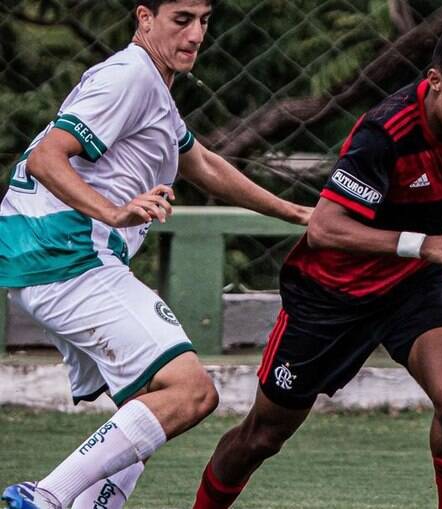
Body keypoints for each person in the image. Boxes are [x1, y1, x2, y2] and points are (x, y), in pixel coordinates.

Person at [0, 1, 311, 508]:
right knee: (190, 393)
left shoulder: (154, 90)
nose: (195, 34)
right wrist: (114, 212)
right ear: (145, 18)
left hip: (47, 258)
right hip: (68, 256)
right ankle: (46, 499)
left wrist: (295, 212)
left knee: (146, 413)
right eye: (181, 19)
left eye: (204, 20)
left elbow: (203, 165)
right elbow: (45, 157)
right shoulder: (131, 77)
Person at [192, 24, 442, 509]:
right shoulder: (385, 133)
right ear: (435, 80)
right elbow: (324, 228)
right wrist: (423, 244)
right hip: (330, 294)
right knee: (263, 435)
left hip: (410, 288)